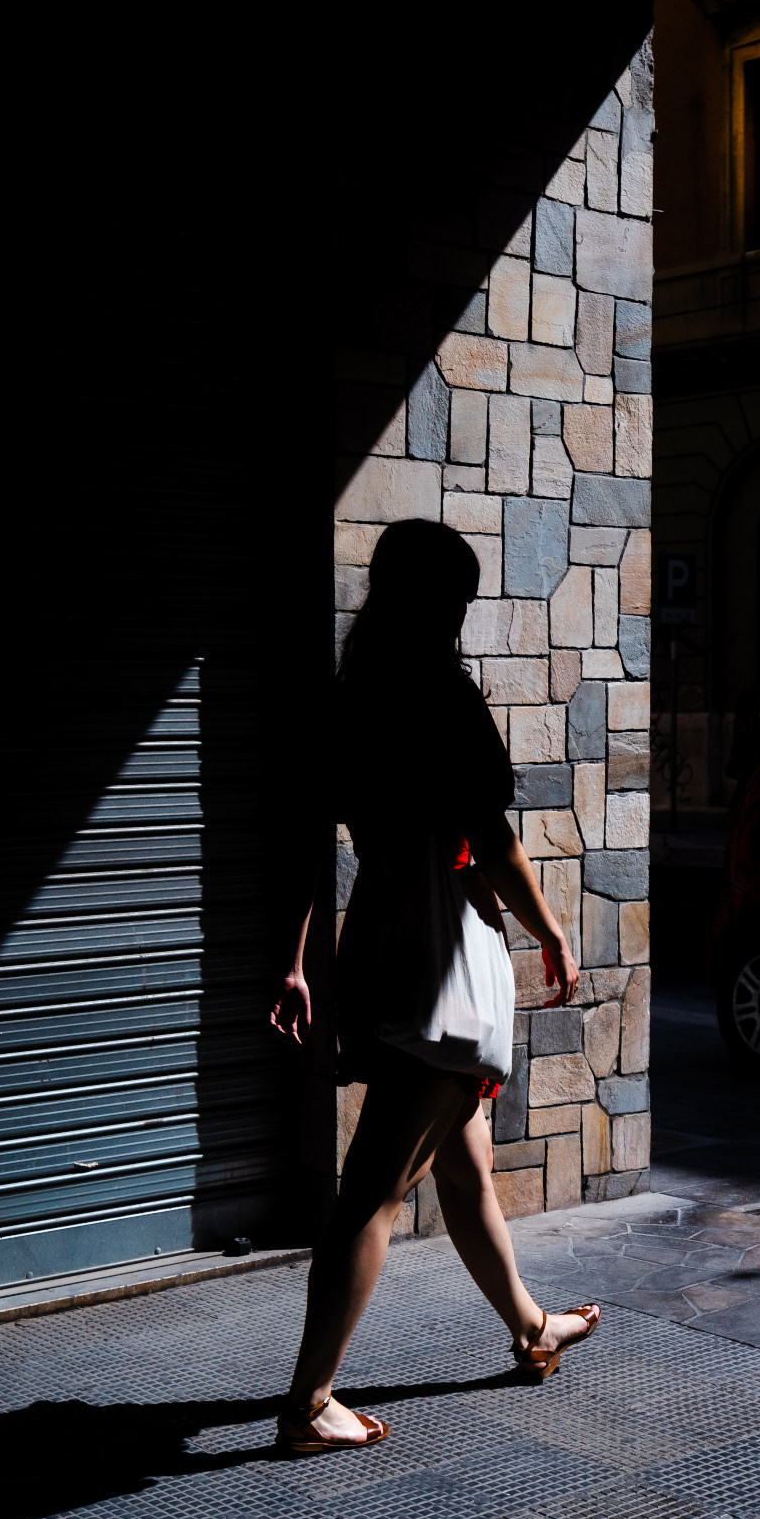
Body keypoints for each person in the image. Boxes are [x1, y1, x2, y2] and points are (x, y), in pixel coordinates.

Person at [268, 520, 600, 1454]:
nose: (460, 610)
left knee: (464, 1167)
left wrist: (296, 960)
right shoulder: (441, 697)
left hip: (379, 934)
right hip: (441, 951)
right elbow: (488, 842)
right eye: (455, 593)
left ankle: (532, 1328)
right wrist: (553, 931)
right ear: (435, 600)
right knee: (374, 1189)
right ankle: (307, 1401)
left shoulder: (349, 696)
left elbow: (309, 842)